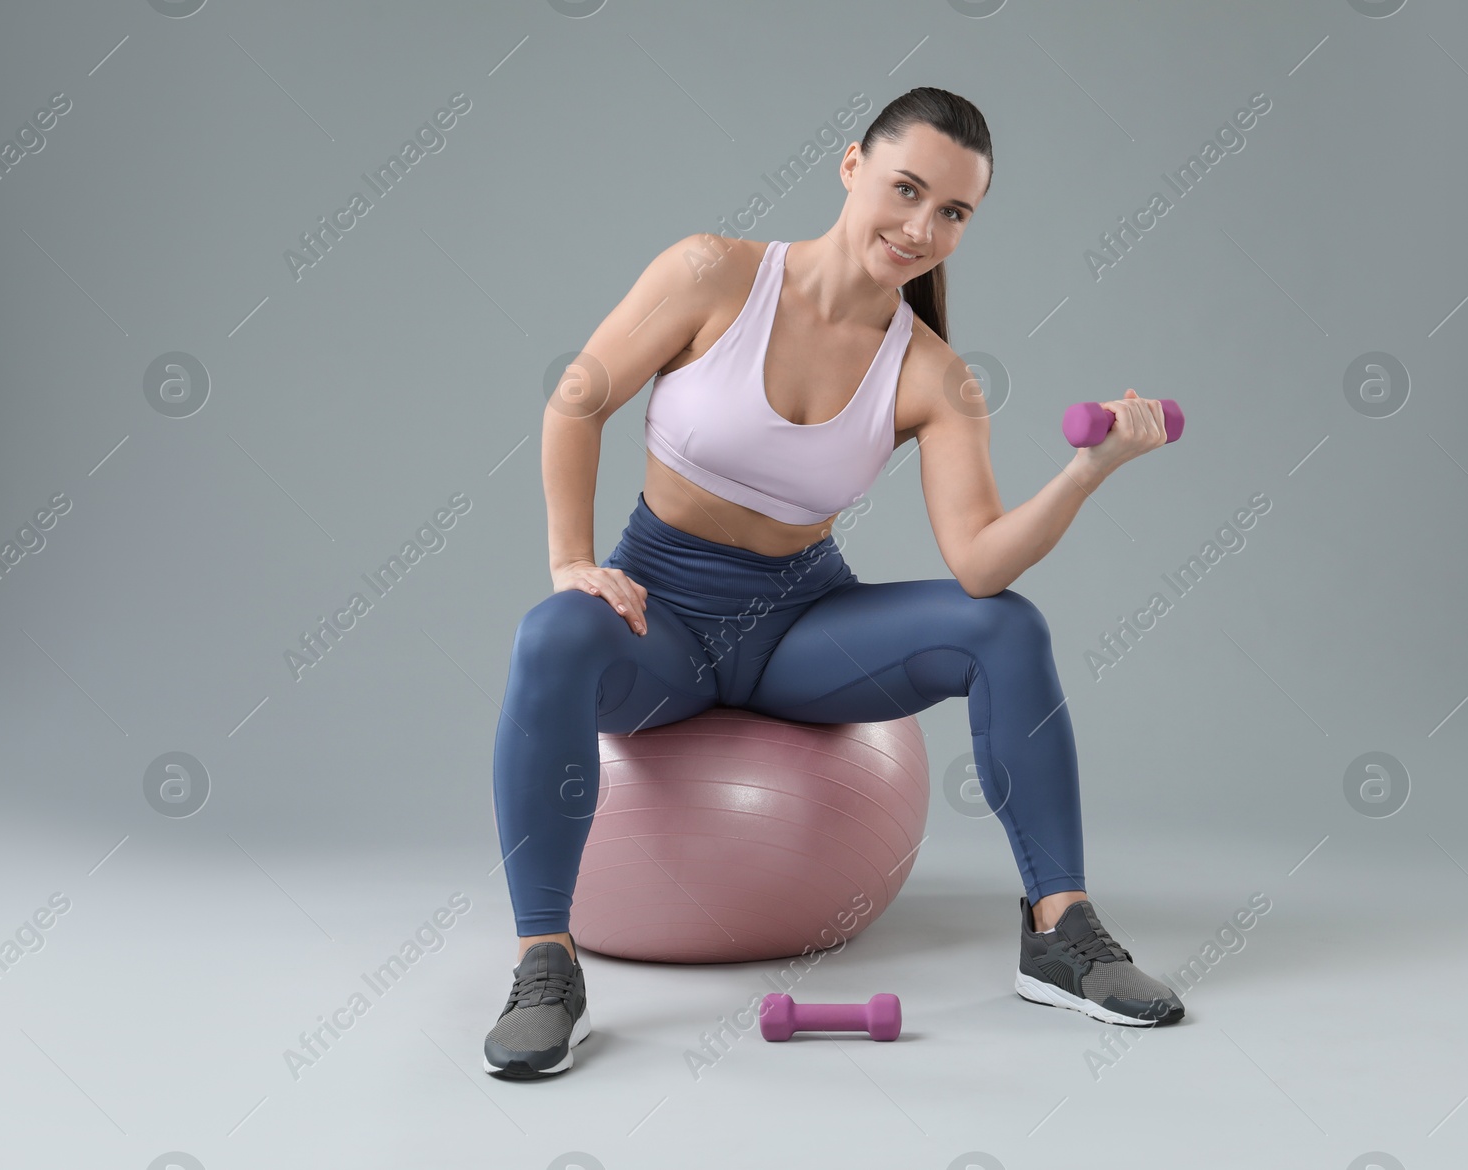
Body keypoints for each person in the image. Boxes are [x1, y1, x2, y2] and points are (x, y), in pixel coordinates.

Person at [483, 87, 1181, 1080]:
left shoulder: (935, 376)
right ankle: (544, 965)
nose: (920, 227)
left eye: (952, 212)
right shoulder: (711, 274)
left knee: (1007, 629)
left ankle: (1059, 930)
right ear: (850, 166)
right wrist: (570, 563)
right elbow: (578, 398)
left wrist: (1086, 471)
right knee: (553, 633)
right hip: (661, 616)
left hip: (799, 629)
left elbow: (977, 561)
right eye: (906, 189)